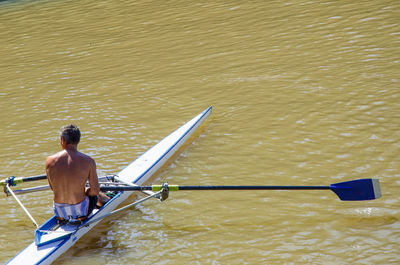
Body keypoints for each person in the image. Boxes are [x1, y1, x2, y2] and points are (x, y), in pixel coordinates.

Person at [45, 124, 108, 223]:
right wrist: (86, 190)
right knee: (96, 194)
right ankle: (105, 200)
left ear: (62, 140)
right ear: (78, 140)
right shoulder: (88, 161)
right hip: (81, 213)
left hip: (59, 213)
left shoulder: (49, 160)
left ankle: (63, 218)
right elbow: (95, 191)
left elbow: (52, 187)